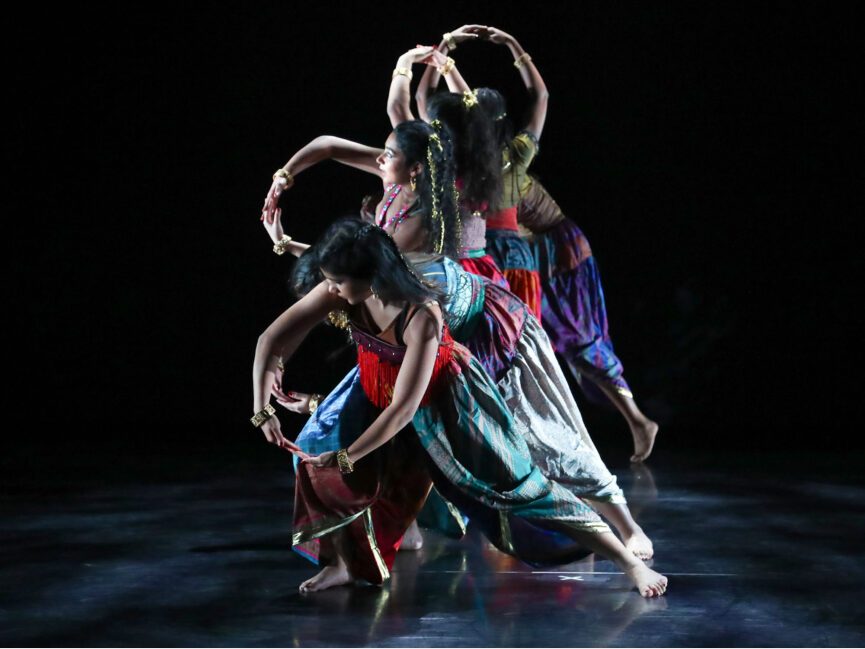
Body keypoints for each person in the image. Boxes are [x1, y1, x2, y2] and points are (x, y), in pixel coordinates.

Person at [261, 119, 654, 559]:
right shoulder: (392, 181)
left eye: (389, 154)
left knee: (537, 429)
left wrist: (295, 248)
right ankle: (392, 524)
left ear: (414, 169)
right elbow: (328, 144)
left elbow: (360, 266)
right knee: (385, 422)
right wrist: (283, 179)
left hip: (477, 327)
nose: (378, 158)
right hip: (421, 329)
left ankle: (624, 524)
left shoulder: (429, 210)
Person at [251, 216, 668, 598]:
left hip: (448, 401)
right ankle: (341, 564)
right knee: (318, 451)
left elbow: (404, 410)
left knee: (519, 486)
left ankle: (627, 561)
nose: (331, 290)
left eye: (339, 282)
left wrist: (347, 456)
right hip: (378, 386)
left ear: (372, 277)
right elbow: (271, 340)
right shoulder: (339, 290)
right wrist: (263, 409)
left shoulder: (421, 316)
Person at [416, 25, 660, 463]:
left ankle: (532, 446)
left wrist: (442, 58)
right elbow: (539, 99)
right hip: (508, 257)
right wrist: (509, 49)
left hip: (521, 258)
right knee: (516, 355)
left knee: (531, 353)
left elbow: (417, 107)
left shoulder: (486, 158)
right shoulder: (493, 155)